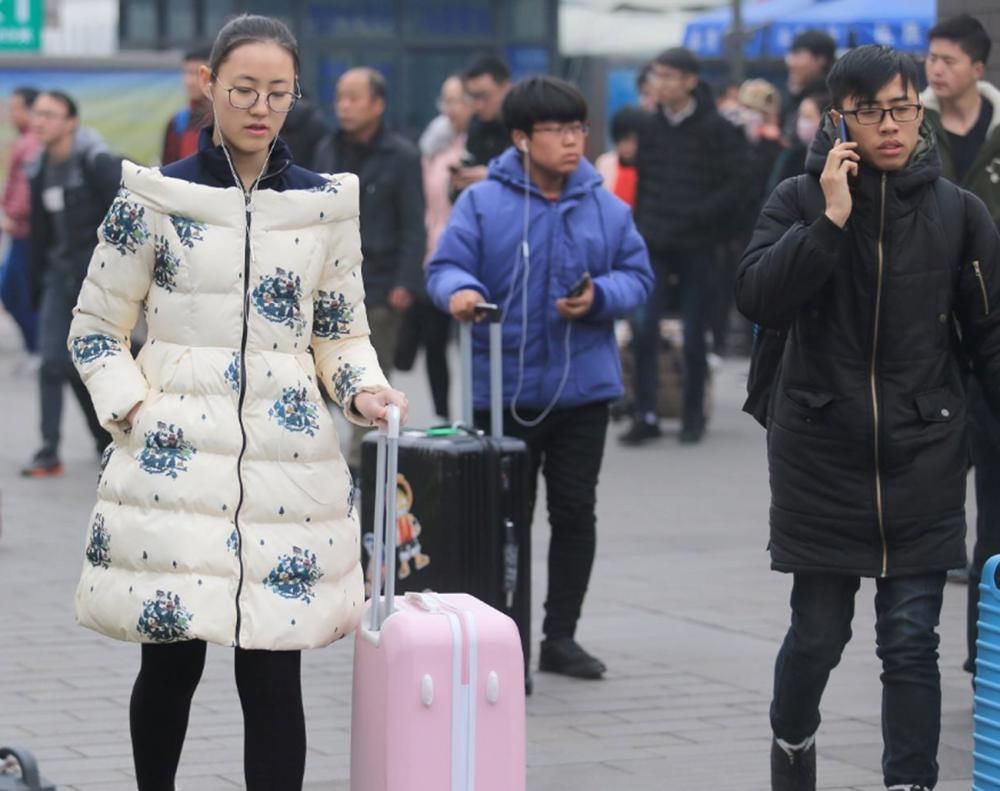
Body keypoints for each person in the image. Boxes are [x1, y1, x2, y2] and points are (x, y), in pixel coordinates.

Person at [67, 15, 408, 791]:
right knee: (172, 660)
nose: (260, 107)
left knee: (273, 673)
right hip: (175, 463)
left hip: (286, 471)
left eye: (277, 93)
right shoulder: (156, 197)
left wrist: (363, 388)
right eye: (244, 89)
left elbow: (340, 331)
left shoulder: (326, 206)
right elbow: (94, 330)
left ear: (294, 98)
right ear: (210, 88)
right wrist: (134, 411)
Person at [734, 44, 1000, 791]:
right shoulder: (796, 198)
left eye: (905, 108)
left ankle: (910, 783)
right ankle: (793, 740)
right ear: (839, 117)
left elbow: (990, 335)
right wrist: (831, 220)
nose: (893, 126)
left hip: (924, 449)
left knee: (912, 639)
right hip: (821, 451)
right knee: (819, 634)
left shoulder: (959, 212)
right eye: (875, 111)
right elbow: (757, 297)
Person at [427, 76, 653, 680]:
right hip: (501, 392)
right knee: (505, 519)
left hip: (584, 390)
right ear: (523, 138)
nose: (574, 142)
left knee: (576, 511)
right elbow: (446, 266)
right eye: (559, 131)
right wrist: (462, 293)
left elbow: (639, 277)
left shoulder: (607, 206)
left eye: (580, 128)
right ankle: (507, 638)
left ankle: (561, 636)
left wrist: (601, 295)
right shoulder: (483, 203)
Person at [921, 13, 1000, 677]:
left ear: (979, 66)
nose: (936, 69)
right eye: (932, 58)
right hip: (933, 342)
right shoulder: (908, 129)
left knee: (997, 514)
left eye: (948, 59)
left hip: (994, 333)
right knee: (943, 502)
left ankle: (987, 651)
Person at [620, 47, 748, 446]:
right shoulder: (649, 126)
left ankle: (693, 413)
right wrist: (640, 231)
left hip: (699, 244)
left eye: (668, 76)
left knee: (695, 334)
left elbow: (738, 187)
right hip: (654, 243)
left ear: (690, 81)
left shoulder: (718, 129)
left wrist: (699, 217)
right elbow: (645, 185)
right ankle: (646, 413)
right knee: (643, 328)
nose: (659, 83)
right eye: (656, 75)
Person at [313, 67, 425, 470]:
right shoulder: (328, 149)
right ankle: (323, 458)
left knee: (370, 373)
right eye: (340, 97)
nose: (344, 106)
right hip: (329, 281)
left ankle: (363, 462)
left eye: (354, 98)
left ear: (378, 105)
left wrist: (406, 282)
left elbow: (415, 223)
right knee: (321, 372)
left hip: (380, 282)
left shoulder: (403, 156)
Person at [21, 90, 120, 477]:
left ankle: (105, 441)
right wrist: (35, 285)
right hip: (58, 279)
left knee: (85, 365)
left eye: (49, 114)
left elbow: (123, 218)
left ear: (71, 122)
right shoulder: (39, 168)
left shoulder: (95, 162)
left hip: (97, 283)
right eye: (37, 114)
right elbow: (39, 236)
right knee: (51, 363)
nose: (39, 121)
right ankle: (49, 450)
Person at [395, 74, 474, 421]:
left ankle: (474, 414)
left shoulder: (482, 146)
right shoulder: (433, 144)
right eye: (446, 100)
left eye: (458, 100)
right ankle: (443, 416)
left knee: (470, 341)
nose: (451, 108)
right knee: (434, 343)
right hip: (433, 254)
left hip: (470, 256)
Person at [0, 86, 40, 372]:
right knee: (14, 289)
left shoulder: (31, 144)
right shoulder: (25, 142)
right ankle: (34, 347)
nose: (11, 114)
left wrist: (12, 216)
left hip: (25, 232)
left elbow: (26, 192)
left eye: (15, 107)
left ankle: (37, 347)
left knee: (14, 290)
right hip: (19, 231)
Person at [450, 53, 512, 193]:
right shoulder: (476, 127)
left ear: (506, 87)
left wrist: (493, 177)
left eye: (484, 96)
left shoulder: (527, 126)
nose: (478, 105)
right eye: (473, 97)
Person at [768, 89, 830, 193]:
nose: (802, 122)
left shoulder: (834, 157)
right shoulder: (791, 156)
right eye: (801, 116)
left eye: (808, 117)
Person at [781, 30, 836, 142]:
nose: (790, 62)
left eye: (797, 55)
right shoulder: (795, 97)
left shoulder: (831, 100)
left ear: (821, 59)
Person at [161, 44, 211, 165]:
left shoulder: (228, 121)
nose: (189, 81)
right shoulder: (178, 122)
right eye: (187, 73)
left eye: (196, 74)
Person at [594, 105, 644, 208]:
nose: (628, 147)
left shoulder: (647, 167)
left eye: (633, 141)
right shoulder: (604, 163)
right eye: (624, 140)